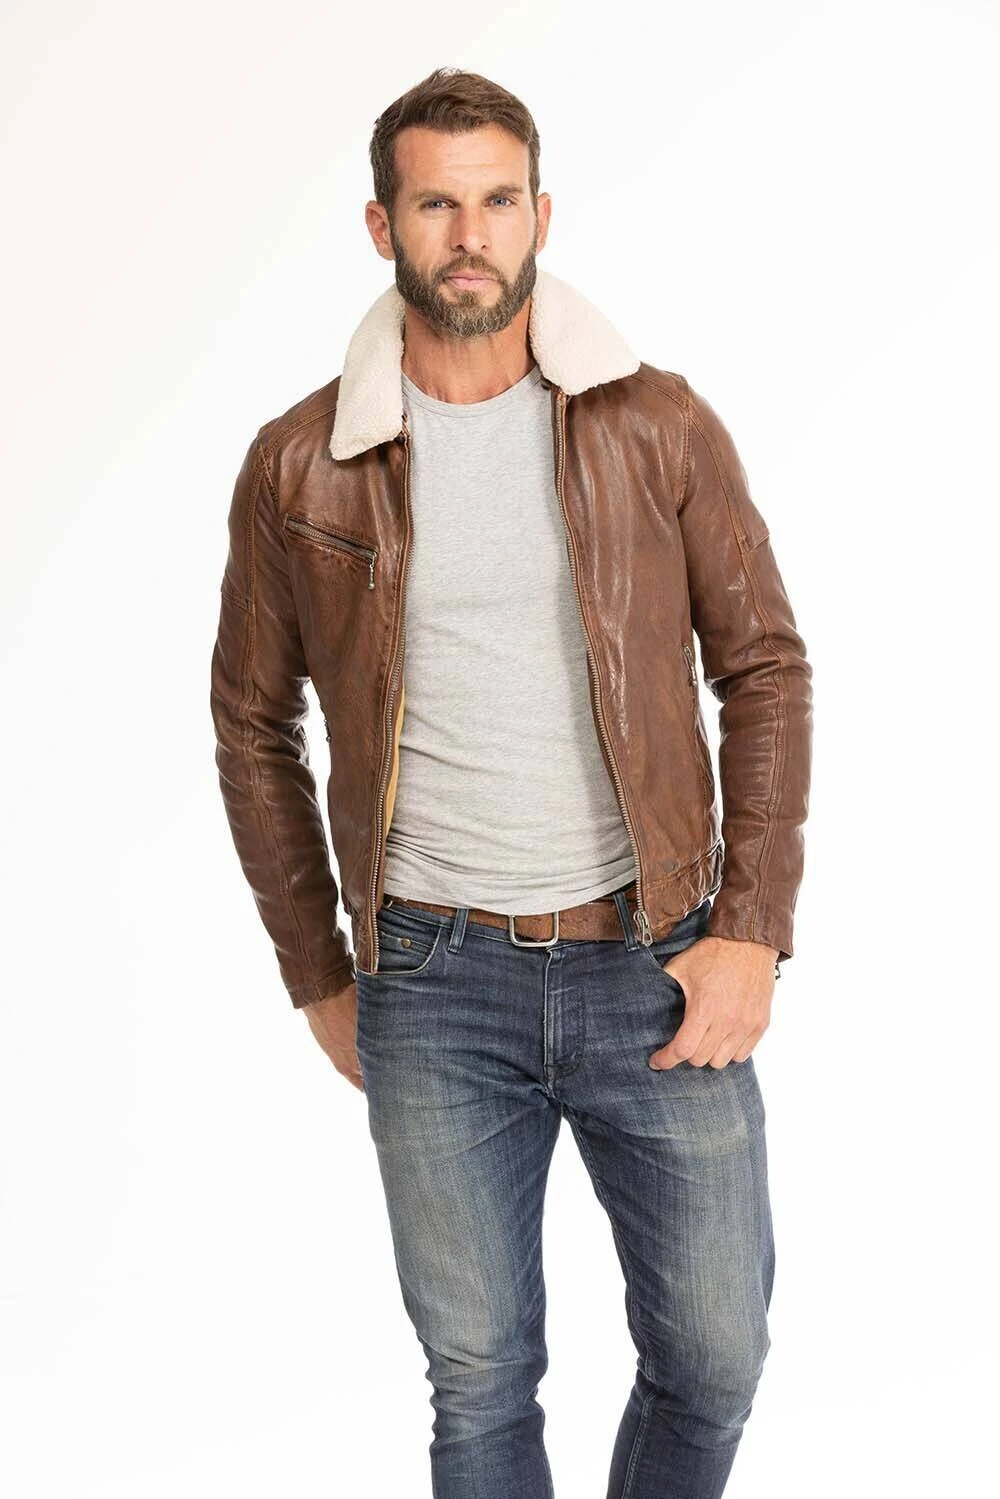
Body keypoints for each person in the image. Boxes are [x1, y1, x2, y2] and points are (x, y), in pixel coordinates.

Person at [210, 64, 813, 1499]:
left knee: (716, 1355)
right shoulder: (301, 463)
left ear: (542, 214)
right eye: (437, 205)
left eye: (497, 201)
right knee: (479, 1384)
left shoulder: (656, 422)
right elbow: (250, 723)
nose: (469, 234)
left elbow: (766, 667)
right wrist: (317, 970)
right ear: (384, 226)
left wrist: (752, 925)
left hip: (657, 963)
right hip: (432, 979)